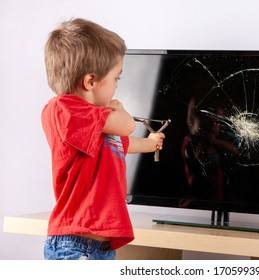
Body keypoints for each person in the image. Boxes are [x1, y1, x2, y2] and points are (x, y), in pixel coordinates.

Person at [41, 18, 165, 260]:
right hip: (75, 244)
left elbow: (121, 143)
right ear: (90, 81)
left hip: (99, 246)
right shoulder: (64, 109)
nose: (117, 86)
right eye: (116, 78)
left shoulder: (95, 123)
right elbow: (127, 125)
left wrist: (150, 143)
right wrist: (115, 107)